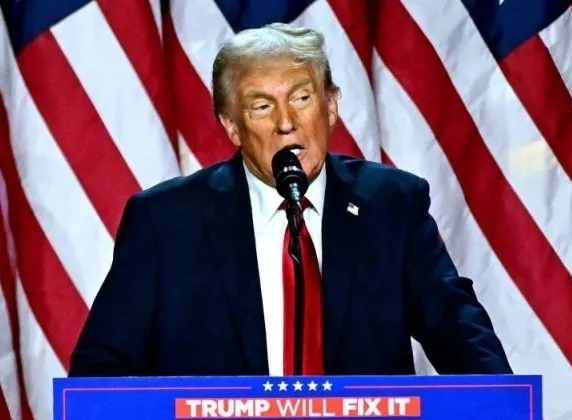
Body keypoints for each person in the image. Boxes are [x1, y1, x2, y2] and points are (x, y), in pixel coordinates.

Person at [68, 22, 512, 377]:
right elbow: (101, 368)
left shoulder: (391, 205)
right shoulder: (166, 222)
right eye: (262, 106)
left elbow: (456, 328)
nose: (287, 122)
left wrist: (500, 401)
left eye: (302, 98)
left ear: (331, 107)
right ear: (232, 126)